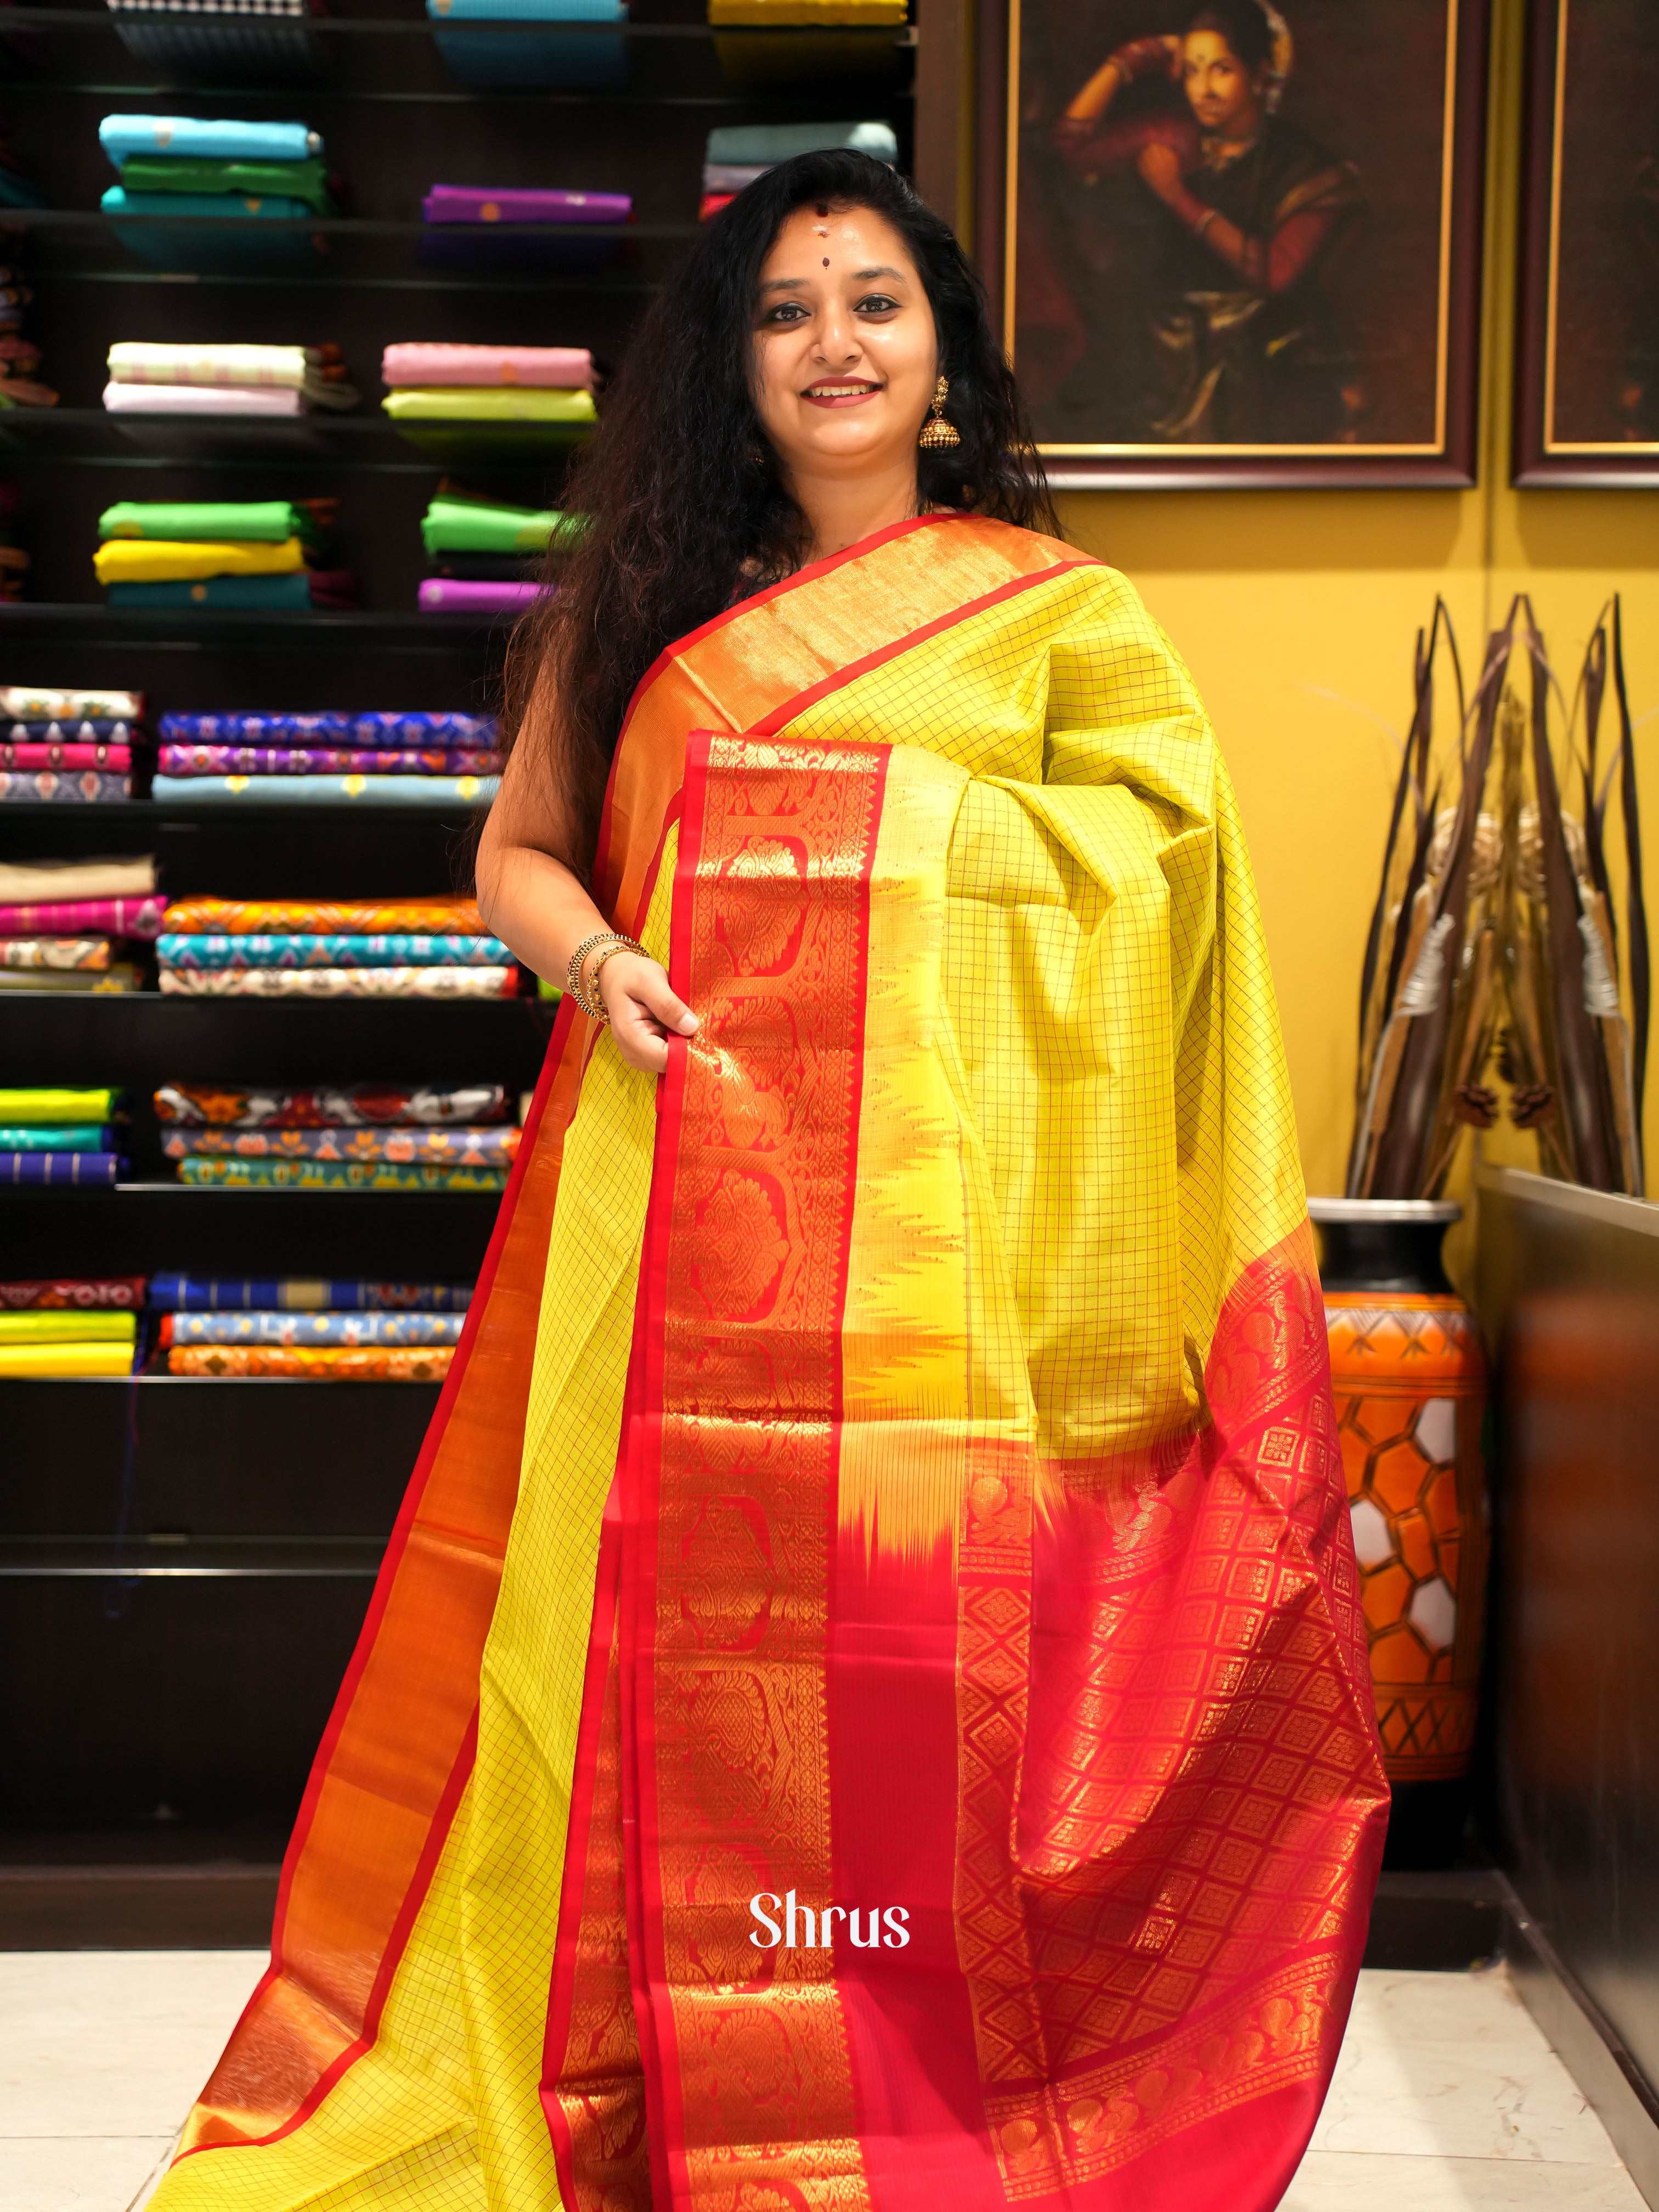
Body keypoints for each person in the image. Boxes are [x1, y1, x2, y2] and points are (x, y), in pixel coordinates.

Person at [146, 149, 1386, 2212]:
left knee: (904, 1691)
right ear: (735, 361)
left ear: (943, 358)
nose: (833, 341)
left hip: (939, 1278)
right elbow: (516, 859)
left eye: (873, 301)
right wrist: (605, 953)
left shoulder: (1051, 616)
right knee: (655, 1678)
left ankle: (889, 2088)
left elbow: (1165, 877)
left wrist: (860, 831)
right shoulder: (648, 603)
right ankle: (650, 2084)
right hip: (671, 1222)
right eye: (788, 306)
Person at [1043, 0, 1361, 443]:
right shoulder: (1173, 135)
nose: (1203, 89)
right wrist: (1133, 58)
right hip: (1164, 356)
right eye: (1192, 71)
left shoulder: (1307, 169)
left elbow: (1275, 272)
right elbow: (1070, 144)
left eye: (1221, 70)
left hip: (1264, 361)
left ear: (1260, 74)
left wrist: (1177, 196)